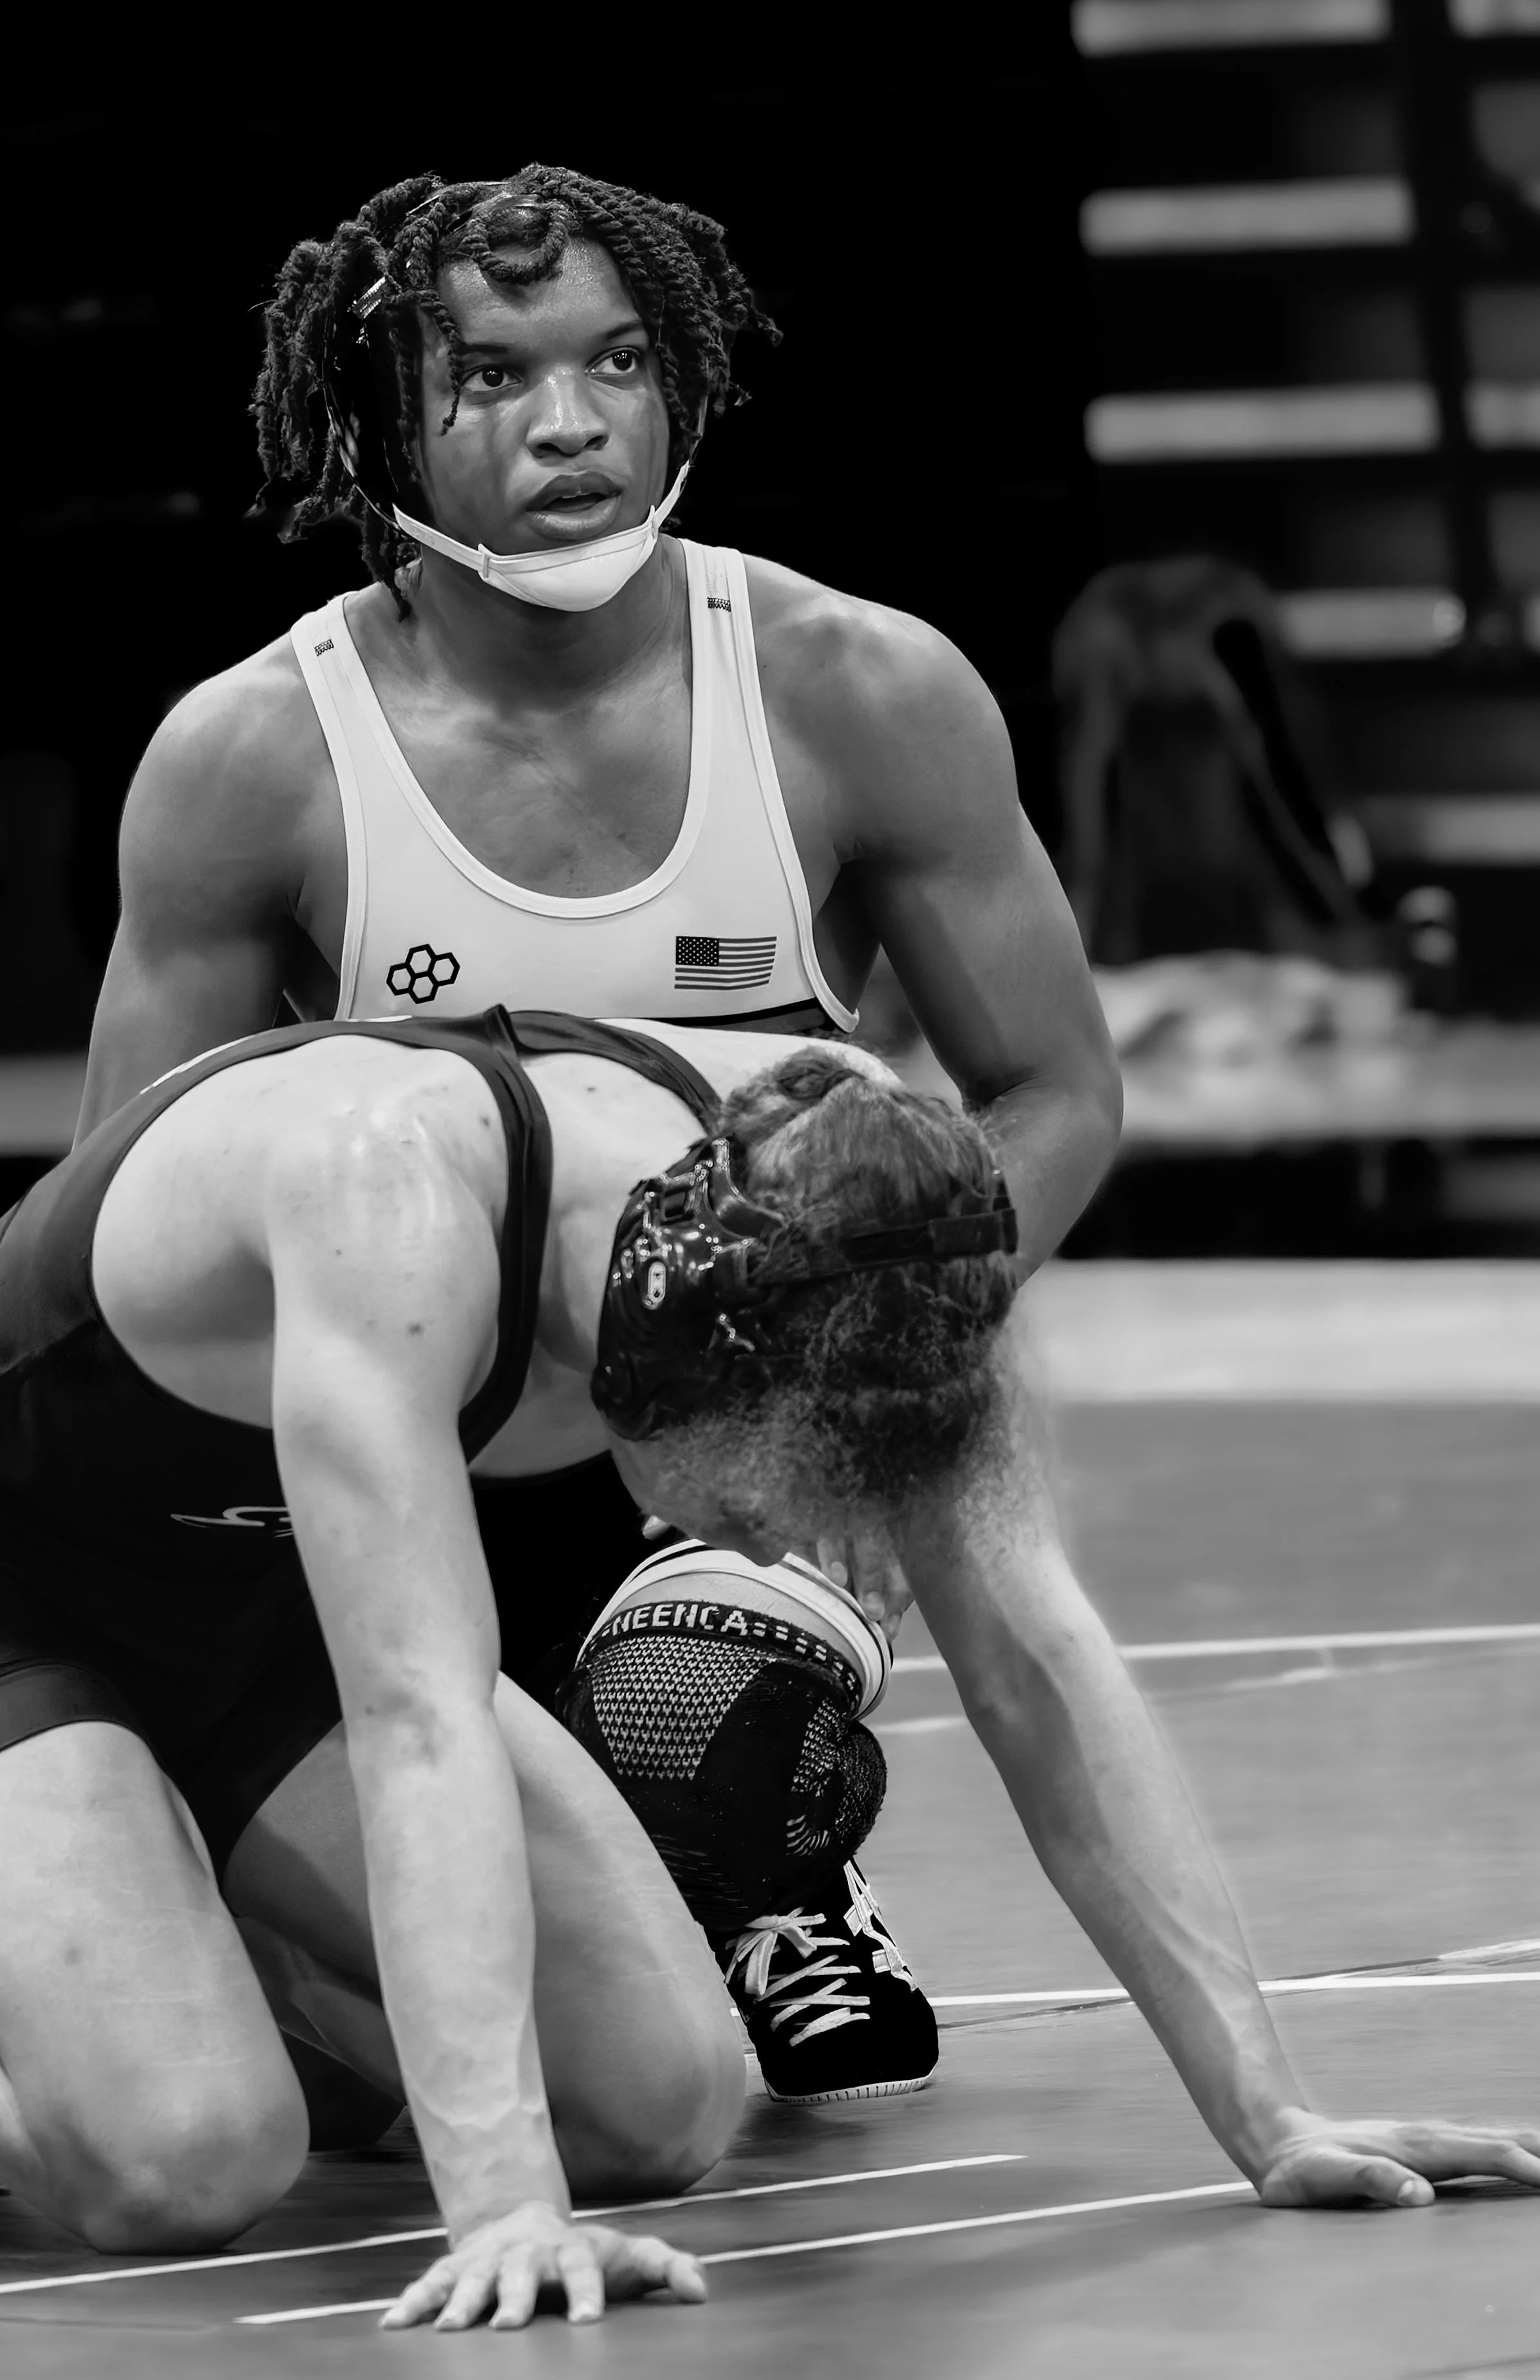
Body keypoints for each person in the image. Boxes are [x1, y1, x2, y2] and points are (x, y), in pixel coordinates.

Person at [71, 165, 1123, 2101]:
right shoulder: (254, 754)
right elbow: (131, 1208)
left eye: (618, 364)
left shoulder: (854, 690)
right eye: (490, 378)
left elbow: (1056, 1095)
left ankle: (761, 1870)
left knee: (733, 1615)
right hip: (436, 1408)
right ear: (381, 419)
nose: (570, 426)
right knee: (335, 2078)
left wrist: (871, 1349)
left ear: (684, 384)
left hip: (731, 1406)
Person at [3, 1009, 1537, 2336]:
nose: (766, 1536)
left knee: (660, 2107)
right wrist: (503, 2218)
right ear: (691, 1353)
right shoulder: (384, 1189)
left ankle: (144, 1938)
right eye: (764, 1491)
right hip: (26, 1605)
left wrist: (1265, 2113)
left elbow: (1036, 1662)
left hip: (262, 1604)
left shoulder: (880, 1210)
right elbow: (417, 1718)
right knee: (186, 2164)